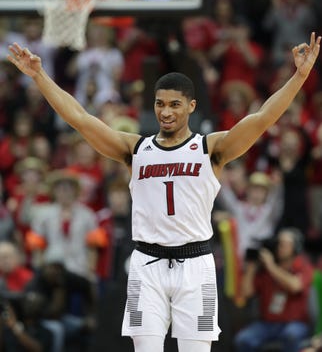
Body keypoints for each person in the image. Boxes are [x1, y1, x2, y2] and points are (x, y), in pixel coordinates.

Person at [6, 32, 321, 352]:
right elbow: (80, 119)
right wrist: (40, 76)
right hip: (146, 264)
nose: (165, 112)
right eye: (160, 104)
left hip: (196, 264)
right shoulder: (135, 149)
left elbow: (263, 118)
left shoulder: (210, 149)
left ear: (191, 106)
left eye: (174, 104)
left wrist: (299, 76)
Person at [233, 228, 314, 352]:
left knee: (291, 335)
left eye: (283, 244)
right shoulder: (265, 269)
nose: (279, 247)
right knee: (243, 339)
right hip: (267, 324)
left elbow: (295, 286)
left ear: (296, 247)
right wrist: (251, 268)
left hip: (295, 323)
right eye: (278, 243)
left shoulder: (303, 266)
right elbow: (246, 294)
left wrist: (271, 266)